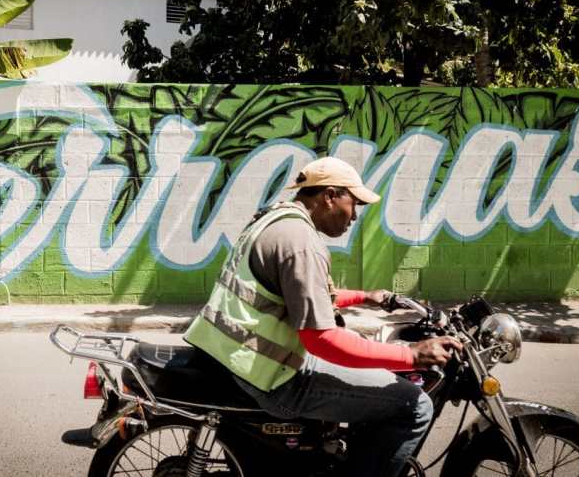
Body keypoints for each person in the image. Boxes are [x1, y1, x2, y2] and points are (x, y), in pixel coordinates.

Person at [185, 156, 463, 477]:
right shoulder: (301, 243)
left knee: (363, 355)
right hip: (272, 377)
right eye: (353, 203)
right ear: (330, 196)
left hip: (237, 357)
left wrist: (365, 296)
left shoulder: (275, 220)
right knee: (415, 406)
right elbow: (322, 341)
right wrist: (411, 354)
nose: (355, 215)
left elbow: (298, 295)